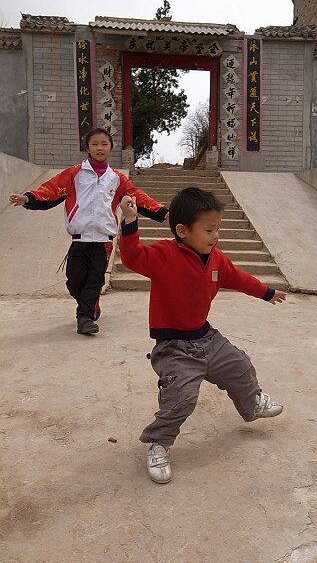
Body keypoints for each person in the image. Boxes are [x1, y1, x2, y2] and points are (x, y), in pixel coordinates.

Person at [119, 186, 287, 484]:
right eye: (209, 230)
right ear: (183, 231)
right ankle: (159, 443)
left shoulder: (216, 259)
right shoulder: (164, 255)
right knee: (182, 398)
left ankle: (251, 405)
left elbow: (237, 277)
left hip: (206, 338)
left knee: (241, 366)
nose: (215, 236)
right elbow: (133, 257)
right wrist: (130, 221)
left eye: (217, 229)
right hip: (174, 348)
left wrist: (267, 293)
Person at [9, 127, 168, 335]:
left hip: (103, 240)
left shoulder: (117, 178)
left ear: (111, 148)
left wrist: (163, 213)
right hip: (79, 239)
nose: (100, 148)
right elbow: (51, 189)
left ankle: (85, 318)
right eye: (95, 144)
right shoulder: (75, 173)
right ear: (88, 148)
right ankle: (90, 303)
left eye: (104, 144)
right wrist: (28, 198)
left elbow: (138, 196)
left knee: (95, 279)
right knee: (75, 281)